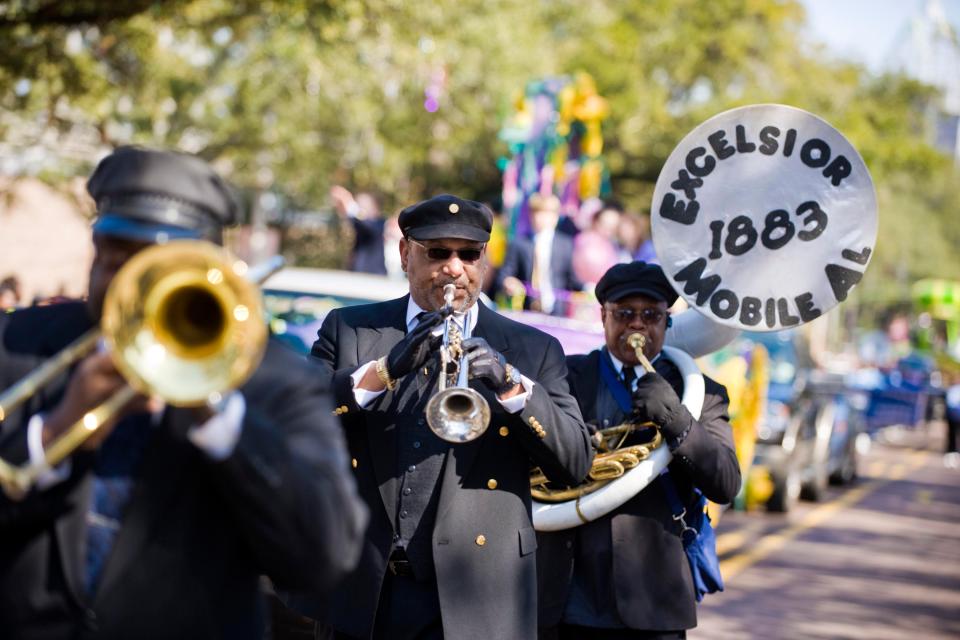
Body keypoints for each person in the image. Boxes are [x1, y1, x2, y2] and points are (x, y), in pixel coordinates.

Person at [0, 147, 368, 639]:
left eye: (159, 269)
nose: (136, 286)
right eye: (117, 260)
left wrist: (220, 418)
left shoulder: (277, 380)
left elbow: (324, 557)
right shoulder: (15, 344)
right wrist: (54, 432)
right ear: (95, 254)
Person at [296, 194, 593, 640]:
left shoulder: (533, 348)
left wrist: (512, 384)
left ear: (484, 260)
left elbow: (574, 463)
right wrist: (383, 371)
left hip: (479, 597)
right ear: (404, 254)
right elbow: (298, 425)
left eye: (468, 254)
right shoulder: (350, 329)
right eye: (437, 253)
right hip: (369, 591)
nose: (454, 269)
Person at [537, 261, 741, 640]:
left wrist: (677, 418)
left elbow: (726, 483)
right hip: (569, 596)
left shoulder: (702, 392)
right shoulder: (563, 377)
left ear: (667, 322)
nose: (637, 325)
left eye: (651, 315)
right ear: (603, 317)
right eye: (624, 313)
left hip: (653, 601)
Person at [495, 193, 583, 315]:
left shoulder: (565, 245)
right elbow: (503, 275)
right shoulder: (518, 243)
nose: (544, 218)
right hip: (525, 311)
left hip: (556, 311)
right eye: (539, 213)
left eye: (549, 213)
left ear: (556, 217)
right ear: (531, 215)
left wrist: (588, 288)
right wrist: (508, 282)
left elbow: (572, 280)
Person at [330, 185, 388, 275]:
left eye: (362, 206)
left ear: (375, 208)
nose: (360, 209)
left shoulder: (379, 224)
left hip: (374, 280)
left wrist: (349, 203)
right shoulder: (361, 230)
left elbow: (365, 224)